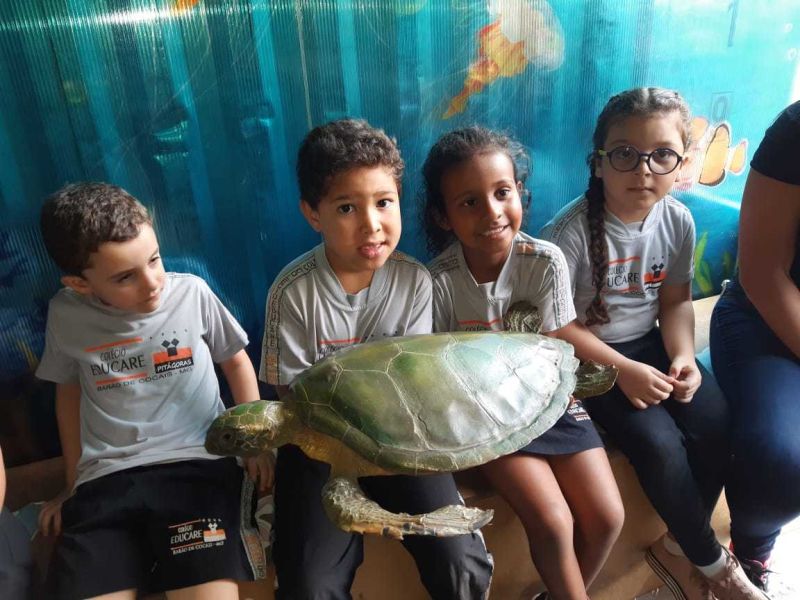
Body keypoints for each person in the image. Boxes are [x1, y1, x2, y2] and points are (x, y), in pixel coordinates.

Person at [541, 87, 768, 600]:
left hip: (652, 345)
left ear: (681, 164)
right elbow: (557, 327)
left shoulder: (677, 220)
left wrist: (683, 356)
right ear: (598, 162)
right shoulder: (567, 234)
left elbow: (675, 302)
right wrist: (622, 370)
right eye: (625, 153)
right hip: (590, 360)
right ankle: (714, 565)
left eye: (661, 154)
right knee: (660, 444)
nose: (643, 170)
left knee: (717, 422)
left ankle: (680, 543)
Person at [261, 119, 493, 599]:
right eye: (347, 207)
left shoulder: (415, 282)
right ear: (313, 214)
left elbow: (416, 384)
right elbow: (292, 394)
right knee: (310, 584)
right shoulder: (293, 291)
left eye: (384, 202)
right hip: (319, 447)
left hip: (402, 439)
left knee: (459, 560)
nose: (372, 224)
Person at [36, 183, 273, 600]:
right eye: (125, 277)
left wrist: (254, 442)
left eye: (154, 259)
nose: (152, 283)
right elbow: (68, 394)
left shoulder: (191, 293)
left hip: (197, 469)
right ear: (79, 283)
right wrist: (71, 484)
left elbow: (235, 360)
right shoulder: (65, 313)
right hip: (105, 482)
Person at [421, 125, 624, 600]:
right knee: (553, 521)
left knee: (608, 518)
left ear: (519, 193)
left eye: (502, 193)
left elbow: (559, 339)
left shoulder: (545, 260)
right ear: (443, 216)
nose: (492, 212)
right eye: (469, 202)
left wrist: (623, 371)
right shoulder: (439, 283)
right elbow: (439, 373)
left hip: (551, 400)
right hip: (487, 416)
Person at [709, 101, 800, 593]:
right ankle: (751, 551)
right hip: (768, 318)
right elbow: (764, 273)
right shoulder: (796, 130)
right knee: (781, 460)